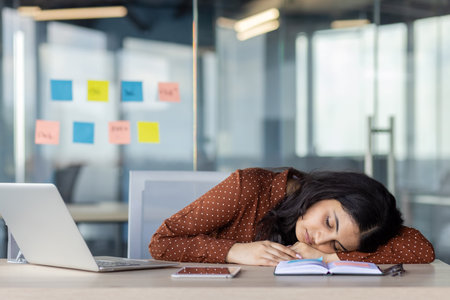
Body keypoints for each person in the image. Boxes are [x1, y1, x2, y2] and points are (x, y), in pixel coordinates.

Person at [149, 168, 435, 266]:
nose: (320, 238)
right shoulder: (247, 187)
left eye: (336, 244)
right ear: (326, 192)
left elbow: (419, 248)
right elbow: (161, 243)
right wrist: (235, 251)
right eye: (328, 222)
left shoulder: (322, 245)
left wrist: (324, 257)